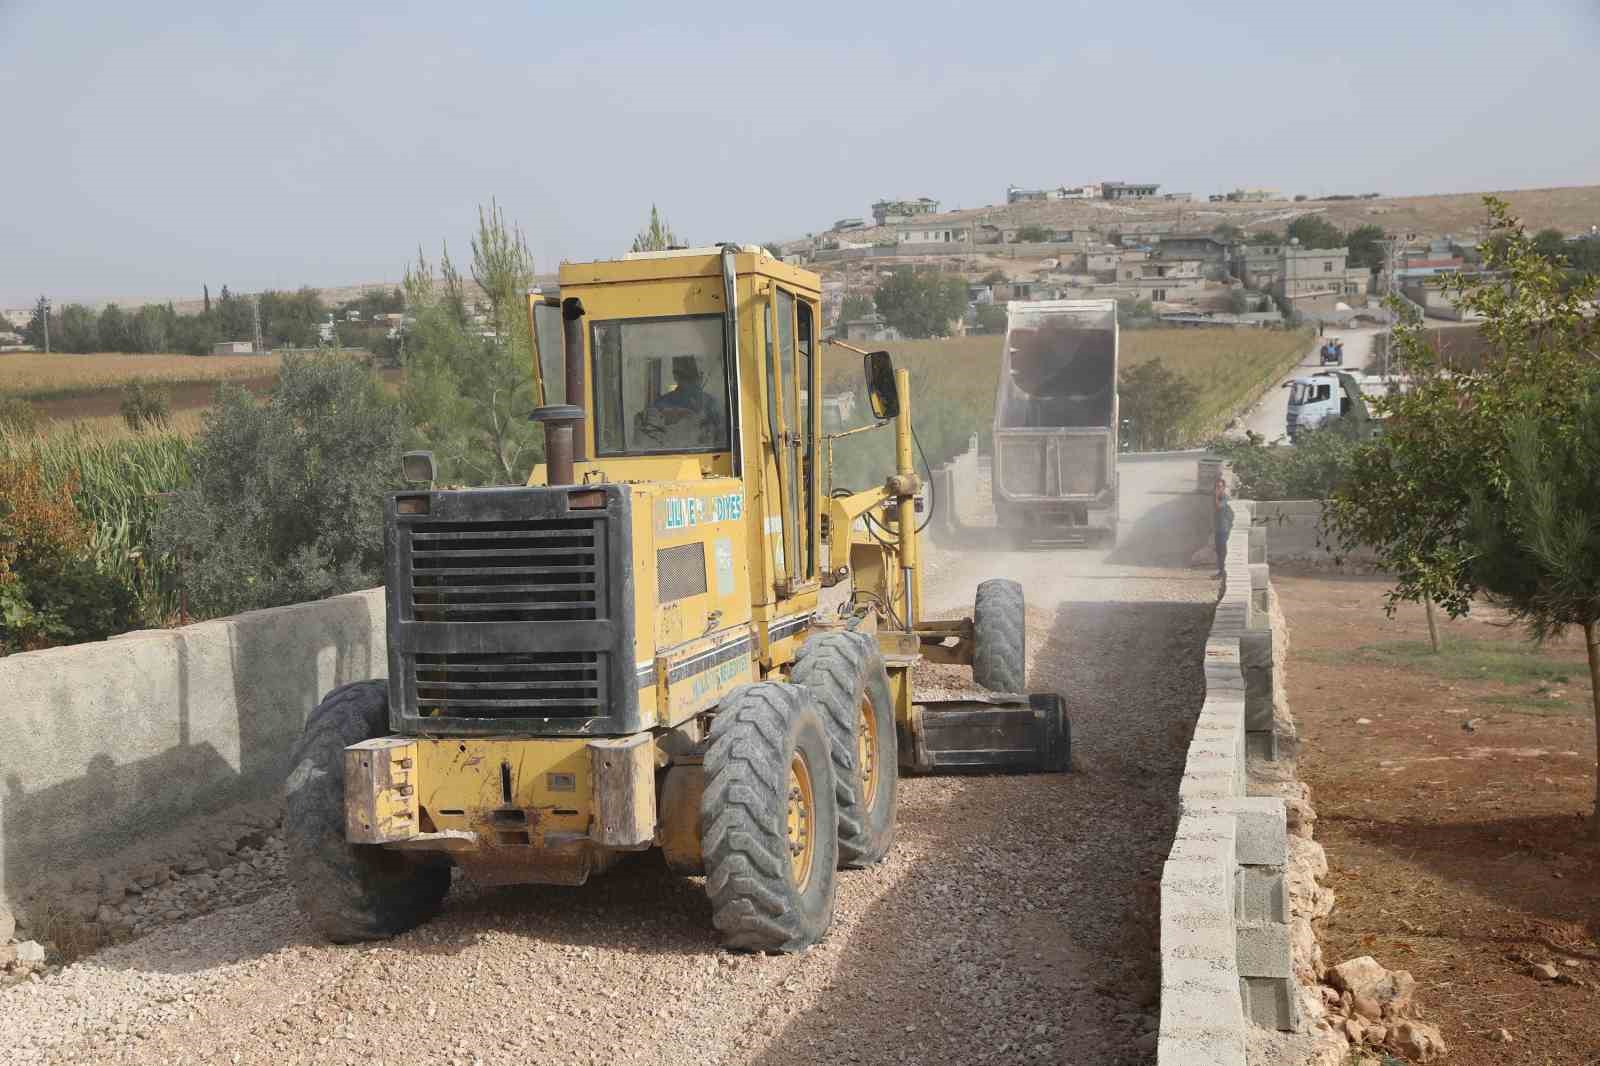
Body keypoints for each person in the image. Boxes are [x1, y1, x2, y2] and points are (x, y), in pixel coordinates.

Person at [638, 355, 725, 445]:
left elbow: (721, 437)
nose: (693, 384)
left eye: (694, 377)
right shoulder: (660, 406)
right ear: (676, 377)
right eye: (687, 378)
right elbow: (649, 441)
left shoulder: (711, 404)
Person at [1213, 474, 1234, 578]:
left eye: (1220, 487)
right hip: (1218, 528)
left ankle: (1224, 573)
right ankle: (1221, 572)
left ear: (1224, 488)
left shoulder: (1225, 498)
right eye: (1217, 487)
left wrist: (1216, 496)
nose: (1218, 489)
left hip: (1225, 529)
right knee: (1218, 551)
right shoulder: (1218, 498)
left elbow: (1219, 507)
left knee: (1223, 552)